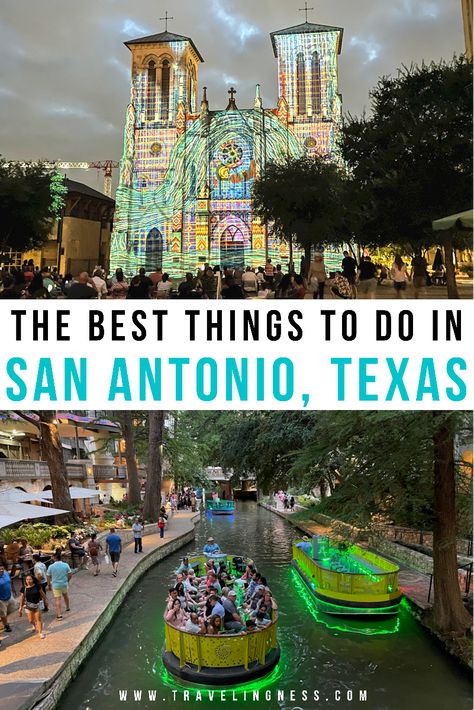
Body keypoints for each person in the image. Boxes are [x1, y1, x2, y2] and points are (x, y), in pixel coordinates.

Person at [19, 574, 48, 639]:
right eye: (27, 579)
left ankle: (40, 632)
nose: (28, 581)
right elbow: (21, 598)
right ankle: (34, 625)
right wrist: (20, 607)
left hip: (37, 605)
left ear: (33, 580)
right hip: (28, 606)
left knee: (38, 619)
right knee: (30, 620)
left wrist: (45, 600)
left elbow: (42, 593)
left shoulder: (37, 586)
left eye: (30, 579)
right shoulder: (23, 588)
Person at [46, 550, 72, 620]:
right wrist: (67, 580)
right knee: (65, 595)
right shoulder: (65, 565)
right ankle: (67, 607)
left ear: (54, 558)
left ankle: (59, 615)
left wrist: (49, 585)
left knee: (58, 599)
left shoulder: (51, 566)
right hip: (64, 583)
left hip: (56, 585)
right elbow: (70, 574)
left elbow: (48, 576)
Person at [0, 563, 15, 632]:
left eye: (2, 568)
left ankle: (3, 619)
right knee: (3, 613)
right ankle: (6, 625)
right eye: (0, 569)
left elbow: (9, 581)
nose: (1, 570)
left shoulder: (6, 573)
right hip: (1, 600)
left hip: (9, 596)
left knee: (11, 609)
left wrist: (12, 590)